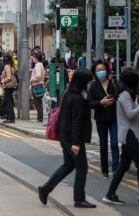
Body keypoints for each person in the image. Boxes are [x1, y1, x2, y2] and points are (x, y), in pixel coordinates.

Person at [103, 68, 139, 207]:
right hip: (128, 135)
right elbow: (130, 114)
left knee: (123, 166)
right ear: (132, 81)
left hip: (129, 134)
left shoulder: (126, 94)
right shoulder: (124, 95)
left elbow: (132, 113)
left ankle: (110, 194)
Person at [38, 69, 95, 209]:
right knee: (82, 167)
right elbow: (77, 121)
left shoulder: (67, 93)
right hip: (73, 138)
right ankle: (79, 199)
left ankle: (46, 189)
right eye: (88, 81)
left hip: (64, 135)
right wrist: (76, 143)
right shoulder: (78, 99)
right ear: (82, 82)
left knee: (68, 165)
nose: (89, 84)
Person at [88, 59, 120, 177]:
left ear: (107, 70)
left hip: (113, 117)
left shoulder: (114, 83)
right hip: (101, 118)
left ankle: (116, 169)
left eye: (102, 69)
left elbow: (119, 97)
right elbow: (90, 102)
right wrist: (101, 102)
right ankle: (104, 169)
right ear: (94, 72)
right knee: (103, 145)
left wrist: (112, 101)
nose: (101, 72)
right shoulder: (93, 86)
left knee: (114, 143)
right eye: (98, 70)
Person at [0, 54, 17, 124]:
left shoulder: (7, 66)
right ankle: (11, 117)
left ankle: (10, 118)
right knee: (9, 102)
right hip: (11, 86)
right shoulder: (11, 65)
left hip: (8, 86)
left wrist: (2, 81)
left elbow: (9, 77)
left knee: (8, 102)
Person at [30, 51, 47, 123]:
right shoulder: (41, 65)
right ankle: (39, 117)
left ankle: (40, 118)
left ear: (36, 58)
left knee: (37, 102)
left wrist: (31, 79)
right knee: (38, 102)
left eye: (33, 57)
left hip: (36, 85)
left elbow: (38, 75)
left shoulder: (37, 65)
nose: (32, 59)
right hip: (39, 85)